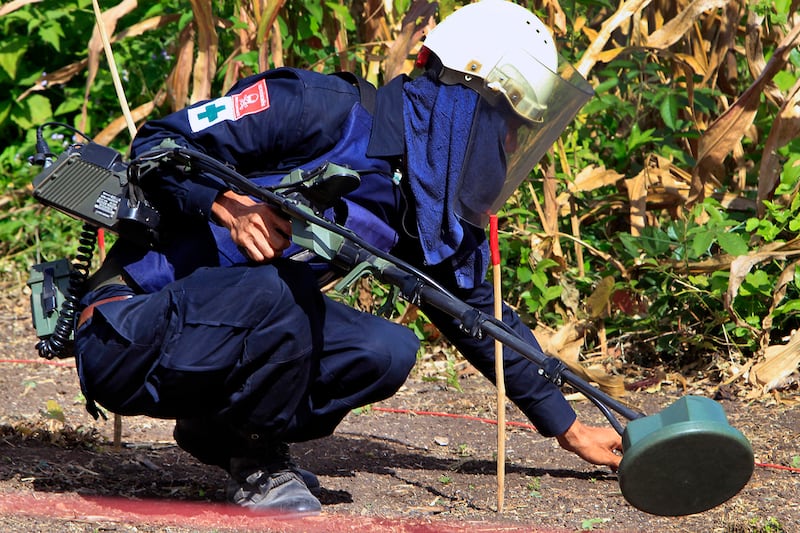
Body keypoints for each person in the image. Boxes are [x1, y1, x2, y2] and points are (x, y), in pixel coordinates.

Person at [74, 0, 622, 516]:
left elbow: (480, 316)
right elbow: (156, 145)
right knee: (279, 290)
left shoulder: (424, 199)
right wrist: (226, 204)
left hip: (219, 333)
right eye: (504, 122)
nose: (505, 143)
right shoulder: (317, 109)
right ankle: (259, 466)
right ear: (462, 99)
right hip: (127, 327)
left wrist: (568, 428)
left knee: (386, 350)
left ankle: (227, 435)